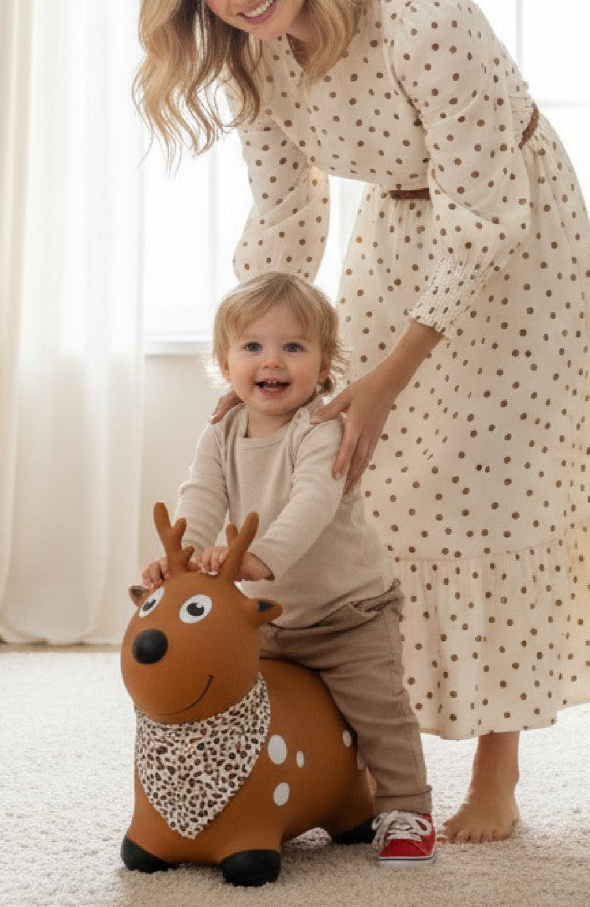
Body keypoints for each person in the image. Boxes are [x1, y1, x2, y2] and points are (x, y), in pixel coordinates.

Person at [135, 0, 590, 845]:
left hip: (515, 235)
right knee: (379, 480)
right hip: (398, 234)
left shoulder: (424, 17)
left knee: (494, 490)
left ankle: (496, 770)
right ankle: (374, 752)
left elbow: (481, 210)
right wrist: (251, 366)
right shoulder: (254, 58)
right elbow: (285, 213)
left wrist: (386, 377)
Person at [140, 272, 436, 866]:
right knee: (246, 704)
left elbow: (312, 504)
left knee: (378, 708)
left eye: (293, 347)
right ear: (225, 363)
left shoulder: (320, 429)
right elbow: (201, 494)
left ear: (324, 362)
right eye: (252, 347)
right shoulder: (223, 429)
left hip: (349, 612)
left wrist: (259, 558)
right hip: (272, 622)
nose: (271, 360)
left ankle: (407, 807)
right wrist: (185, 559)